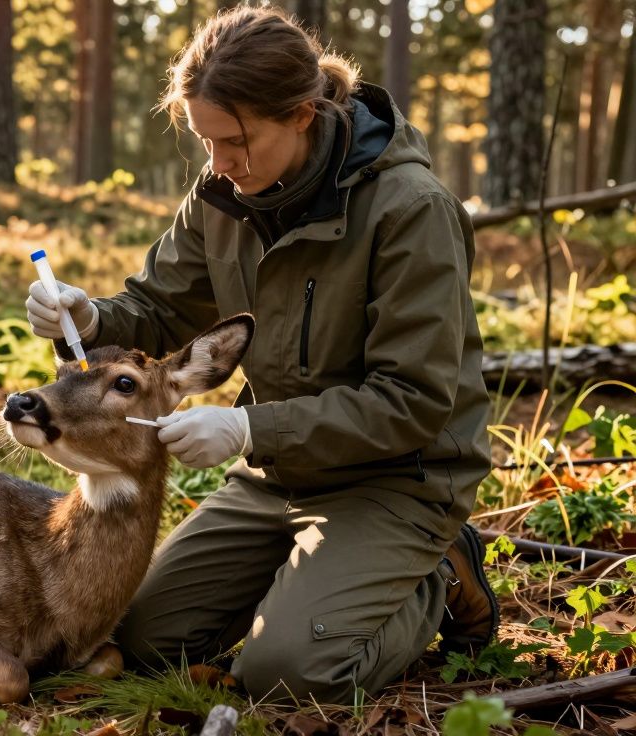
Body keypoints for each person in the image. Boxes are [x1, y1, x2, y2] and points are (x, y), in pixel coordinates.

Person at [25, 6, 497, 704]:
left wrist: (248, 429)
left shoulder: (409, 209)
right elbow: (159, 310)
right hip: (278, 475)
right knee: (140, 637)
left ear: (302, 115)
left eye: (236, 141)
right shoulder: (223, 192)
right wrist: (91, 315)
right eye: (204, 141)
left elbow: (414, 402)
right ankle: (320, 580)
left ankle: (438, 573)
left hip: (397, 478)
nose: (217, 165)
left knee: (290, 673)